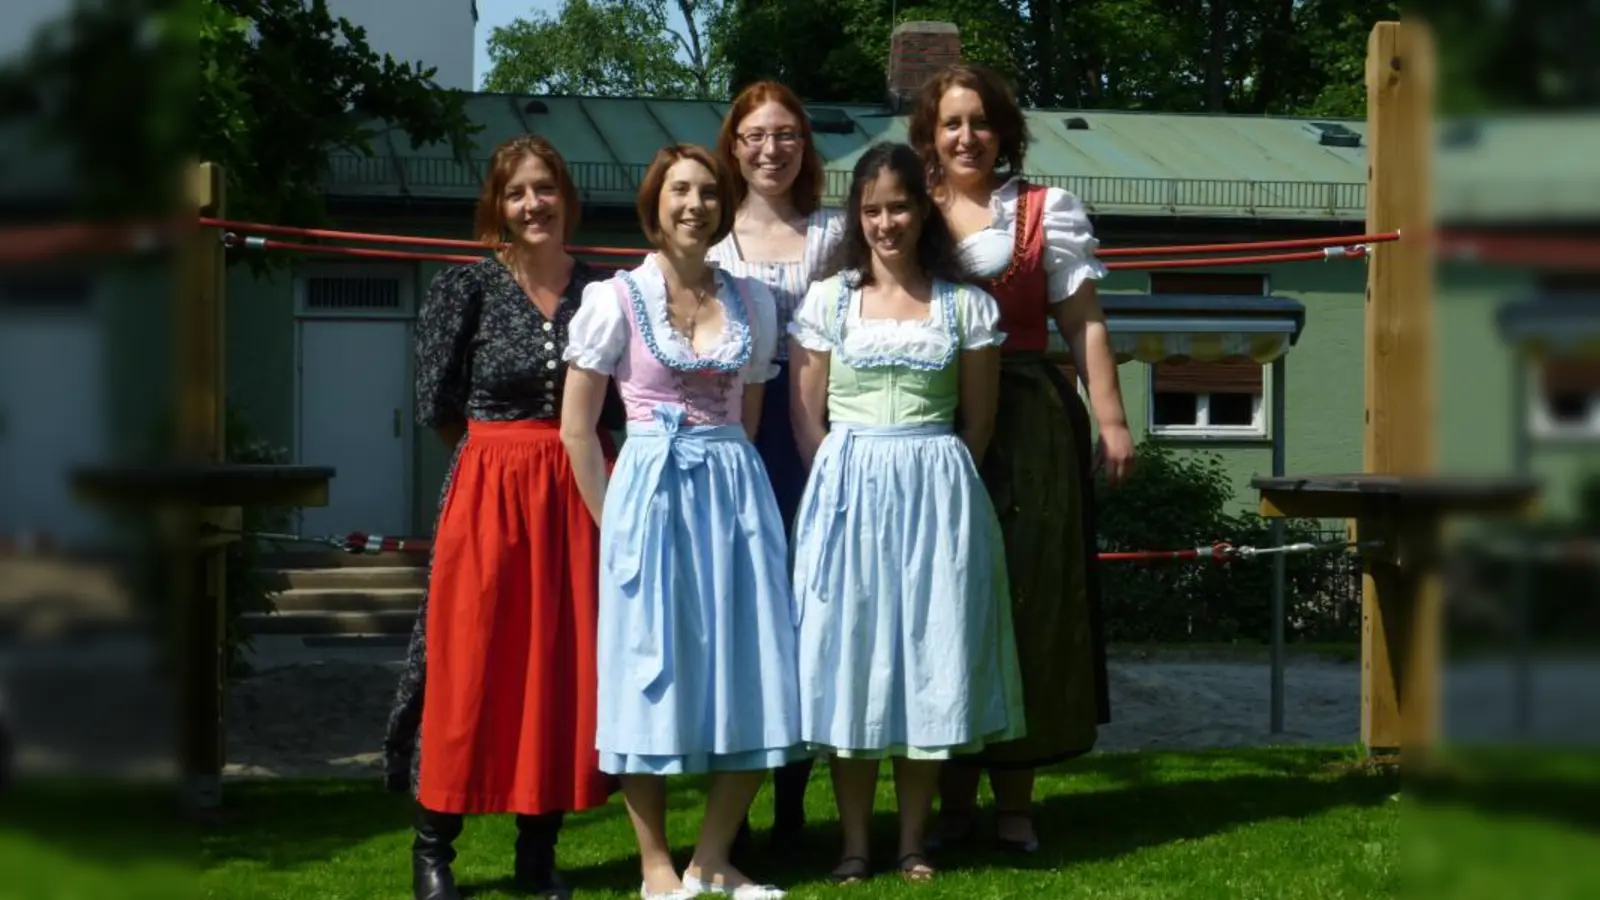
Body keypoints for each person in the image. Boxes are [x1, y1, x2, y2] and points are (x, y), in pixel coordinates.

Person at [382, 134, 624, 900]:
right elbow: (437, 405)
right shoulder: (468, 289)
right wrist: (502, 459)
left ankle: (536, 850)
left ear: (566, 196)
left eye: (545, 189)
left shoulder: (604, 292)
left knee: (563, 666)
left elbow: (620, 404)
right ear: (498, 205)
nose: (533, 205)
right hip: (490, 488)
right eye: (518, 192)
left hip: (578, 490)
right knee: (469, 663)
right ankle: (433, 850)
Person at [560, 143, 802, 900]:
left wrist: (728, 473)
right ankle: (655, 866)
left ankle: (714, 859)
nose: (694, 204)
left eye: (706, 192)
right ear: (654, 203)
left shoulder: (754, 302)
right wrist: (616, 521)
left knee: (752, 666)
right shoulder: (614, 298)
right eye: (679, 192)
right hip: (650, 498)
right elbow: (577, 428)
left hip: (731, 493)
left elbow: (748, 412)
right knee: (645, 676)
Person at [787, 141, 1026, 885]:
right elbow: (806, 416)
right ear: (857, 218)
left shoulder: (966, 307)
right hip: (850, 489)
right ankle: (856, 843)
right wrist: (840, 481)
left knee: (929, 660)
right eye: (871, 209)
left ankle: (912, 841)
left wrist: (932, 478)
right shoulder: (828, 300)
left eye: (898, 206)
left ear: (923, 210)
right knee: (853, 662)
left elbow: (978, 424)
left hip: (936, 493)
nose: (886, 221)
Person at [909, 63, 1134, 855]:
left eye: (980, 121)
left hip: (1032, 417)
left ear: (1003, 130)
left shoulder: (1046, 212)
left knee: (1029, 604)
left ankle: (1014, 805)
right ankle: (950, 800)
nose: (966, 137)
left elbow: (1086, 324)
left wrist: (1110, 420)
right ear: (929, 136)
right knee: (946, 604)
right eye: (951, 123)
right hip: (934, 423)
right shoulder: (912, 213)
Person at [708, 78, 845, 857]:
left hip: (822, 438)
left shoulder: (834, 235)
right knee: (750, 619)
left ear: (805, 145)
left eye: (787, 134)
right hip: (743, 440)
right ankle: (742, 799)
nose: (772, 149)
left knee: (810, 615)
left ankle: (795, 801)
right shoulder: (709, 238)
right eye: (756, 135)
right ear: (735, 146)